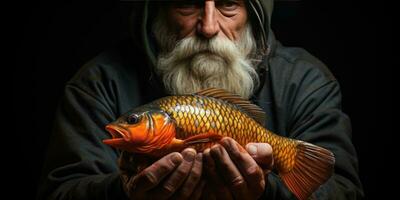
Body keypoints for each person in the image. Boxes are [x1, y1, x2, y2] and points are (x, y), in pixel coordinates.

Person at [37, 0, 364, 199]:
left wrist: (266, 192)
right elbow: (61, 191)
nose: (208, 26)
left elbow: (343, 192)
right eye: (187, 3)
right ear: (158, 12)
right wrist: (123, 193)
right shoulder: (97, 83)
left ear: (253, 15)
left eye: (228, 5)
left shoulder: (305, 80)